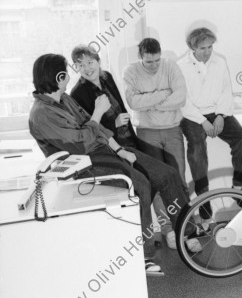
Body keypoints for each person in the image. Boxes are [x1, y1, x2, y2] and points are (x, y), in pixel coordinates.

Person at [28, 54, 194, 275]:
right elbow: (80, 145)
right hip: (83, 164)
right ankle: (143, 256)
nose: (71, 73)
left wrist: (120, 150)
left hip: (105, 150)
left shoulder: (64, 99)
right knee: (142, 186)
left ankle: (186, 231)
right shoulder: (41, 114)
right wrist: (97, 113)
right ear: (60, 76)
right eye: (67, 70)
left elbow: (99, 131)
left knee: (167, 174)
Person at [69, 44, 199, 252]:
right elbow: (90, 131)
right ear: (76, 67)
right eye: (80, 64)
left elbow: (123, 108)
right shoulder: (77, 93)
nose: (86, 68)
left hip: (130, 142)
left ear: (98, 62)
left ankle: (186, 230)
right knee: (151, 185)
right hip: (112, 150)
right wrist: (114, 125)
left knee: (166, 178)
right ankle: (147, 245)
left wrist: (129, 136)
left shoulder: (107, 78)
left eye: (90, 62)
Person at [123, 38, 188, 248]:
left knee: (179, 181)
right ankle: (168, 231)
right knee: (159, 183)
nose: (154, 66)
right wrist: (164, 95)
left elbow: (181, 98)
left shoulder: (170, 66)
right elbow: (133, 102)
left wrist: (150, 102)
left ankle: (184, 228)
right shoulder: (130, 72)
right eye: (149, 62)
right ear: (140, 58)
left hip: (172, 130)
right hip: (146, 132)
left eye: (157, 61)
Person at [178, 28, 242, 197]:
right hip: (193, 116)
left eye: (210, 47)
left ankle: (239, 187)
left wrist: (221, 116)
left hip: (218, 112)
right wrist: (202, 121)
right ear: (192, 48)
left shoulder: (220, 61)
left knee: (241, 139)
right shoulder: (180, 66)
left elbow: (226, 90)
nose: (207, 52)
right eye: (202, 48)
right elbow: (183, 100)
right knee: (197, 148)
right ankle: (203, 195)